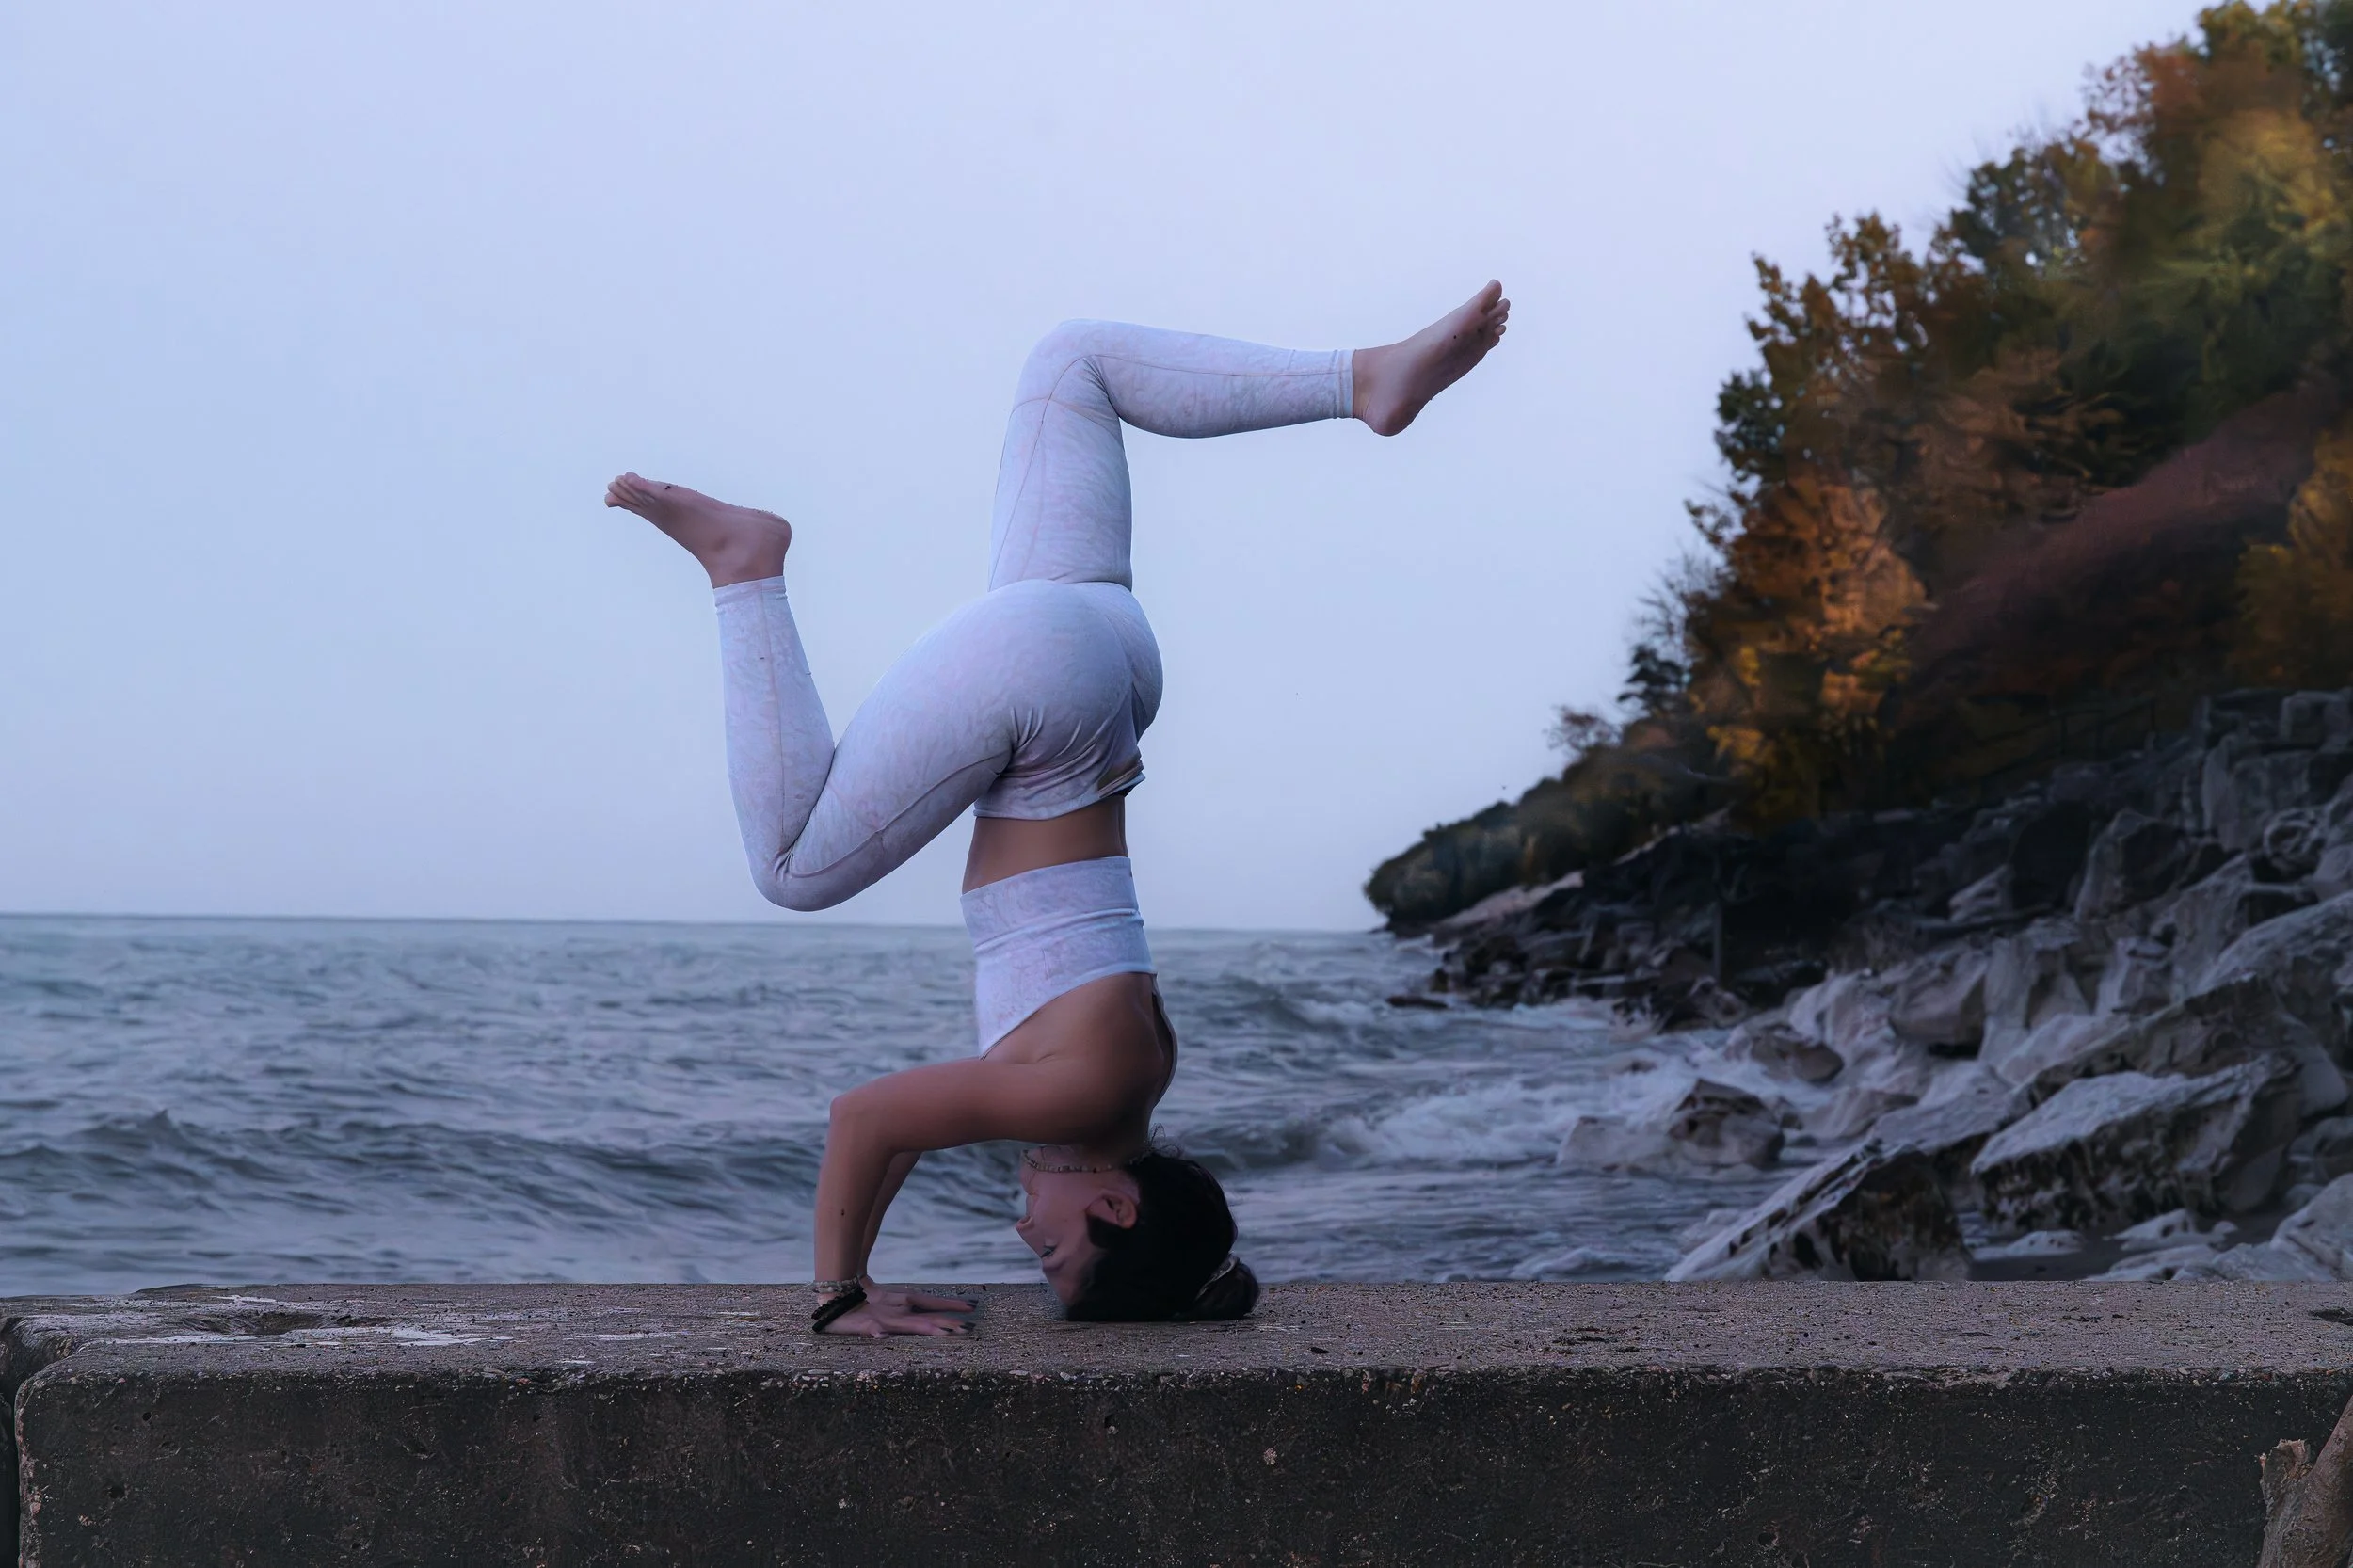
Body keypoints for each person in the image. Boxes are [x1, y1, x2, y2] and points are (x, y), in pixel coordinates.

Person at [606, 283, 1510, 1336]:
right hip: (1045, 688)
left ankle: (1359, 381)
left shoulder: (1133, 1083)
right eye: (1057, 1252)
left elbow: (902, 1140)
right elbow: (866, 1119)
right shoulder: (1078, 1099)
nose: (1025, 1237)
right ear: (1117, 1205)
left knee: (1071, 363)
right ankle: (745, 566)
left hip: (1110, 655)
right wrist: (837, 1294)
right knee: (793, 868)